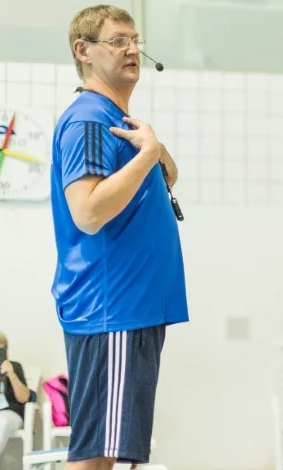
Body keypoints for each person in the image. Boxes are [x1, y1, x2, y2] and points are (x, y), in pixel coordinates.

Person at [53, 5, 187, 468]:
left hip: (132, 308)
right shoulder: (90, 120)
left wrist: (155, 151)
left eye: (135, 40)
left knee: (108, 455)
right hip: (113, 309)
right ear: (83, 51)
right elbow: (88, 211)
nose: (132, 50)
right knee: (96, 457)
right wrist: (147, 155)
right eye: (117, 41)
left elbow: (166, 176)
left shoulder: (116, 119)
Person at [0, 331, 31, 470]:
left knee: (1, 421)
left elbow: (24, 398)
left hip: (10, 413)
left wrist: (11, 374)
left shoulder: (15, 366)